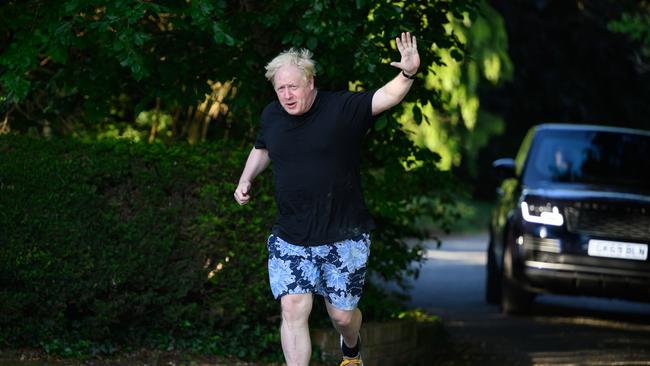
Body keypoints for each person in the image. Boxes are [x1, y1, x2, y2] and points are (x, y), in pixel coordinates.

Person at [233, 32, 420, 366]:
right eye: (280, 89)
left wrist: (407, 74)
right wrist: (246, 179)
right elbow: (262, 147)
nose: (287, 95)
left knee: (342, 316)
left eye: (293, 87)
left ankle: (350, 349)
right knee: (292, 308)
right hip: (291, 233)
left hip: (343, 233)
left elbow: (385, 97)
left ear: (310, 81)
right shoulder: (272, 115)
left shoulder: (340, 108)